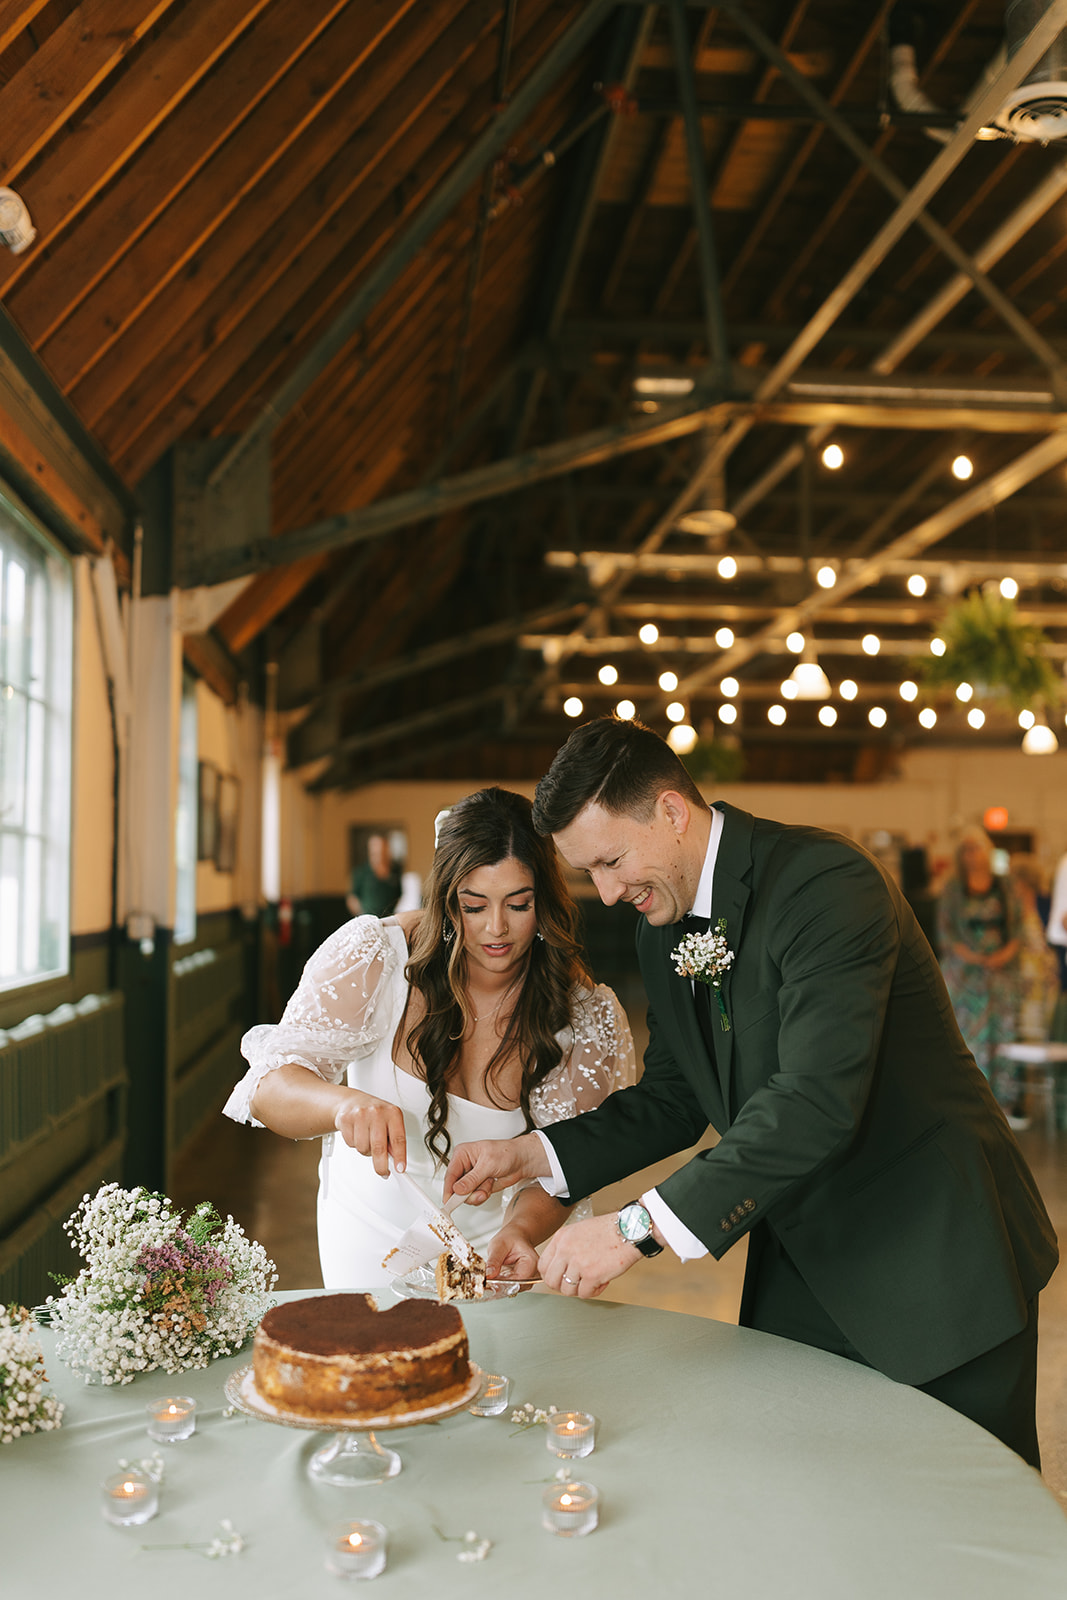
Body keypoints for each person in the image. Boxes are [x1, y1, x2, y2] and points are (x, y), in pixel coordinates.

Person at [443, 717, 1057, 1469]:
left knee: (968, 1523)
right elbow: (673, 1097)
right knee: (815, 1505)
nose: (603, 894)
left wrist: (633, 1228)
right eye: (587, 874)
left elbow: (813, 1100)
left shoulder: (825, 885)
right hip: (803, 1267)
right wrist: (527, 1156)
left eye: (608, 861)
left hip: (933, 1260)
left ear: (670, 812)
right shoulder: (656, 925)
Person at [224, 787, 636, 1287]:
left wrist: (522, 1230)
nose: (497, 929)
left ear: (544, 902)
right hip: (368, 1237)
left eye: (519, 904)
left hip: (494, 1255)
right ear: (446, 899)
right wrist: (342, 1105)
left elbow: (567, 1164)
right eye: (474, 905)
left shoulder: (586, 1015)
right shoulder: (375, 956)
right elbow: (269, 1086)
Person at [937, 826, 1024, 1123]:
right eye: (967, 849)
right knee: (969, 1038)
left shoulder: (1004, 885)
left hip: (1000, 973)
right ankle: (971, 1101)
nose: (973, 855)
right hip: (965, 976)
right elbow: (946, 933)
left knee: (1003, 1036)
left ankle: (1005, 1103)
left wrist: (1002, 955)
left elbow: (1017, 928)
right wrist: (972, 956)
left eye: (978, 848)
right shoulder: (953, 889)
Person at [1010, 855, 1060, 1045]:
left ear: (1022, 881)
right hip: (1021, 978)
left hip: (1044, 976)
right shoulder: (1012, 908)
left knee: (1042, 1030)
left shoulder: (1045, 903)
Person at [346, 832, 402, 918]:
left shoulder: (395, 871)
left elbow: (400, 896)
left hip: (390, 920)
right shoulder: (361, 872)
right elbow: (352, 898)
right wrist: (363, 917)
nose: (378, 850)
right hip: (368, 921)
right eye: (375, 846)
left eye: (381, 846)